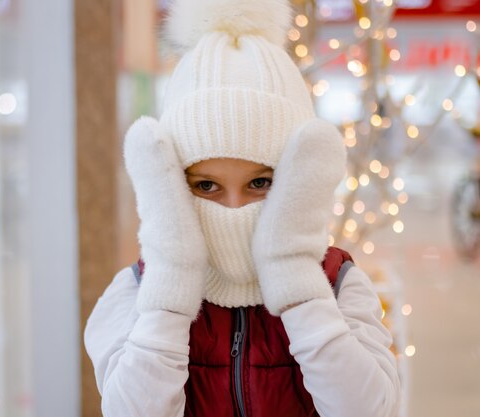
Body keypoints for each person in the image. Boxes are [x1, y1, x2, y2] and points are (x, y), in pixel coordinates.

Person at [84, 0, 402, 416]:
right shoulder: (136, 292)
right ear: (170, 186)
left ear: (297, 178)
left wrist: (296, 281)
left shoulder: (338, 284)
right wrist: (171, 283)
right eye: (207, 185)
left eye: (259, 183)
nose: (234, 208)